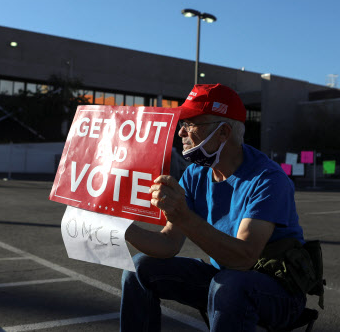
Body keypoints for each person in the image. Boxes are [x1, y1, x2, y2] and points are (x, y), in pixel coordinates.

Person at [121, 83, 307, 331]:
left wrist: (184, 216)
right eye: (181, 125)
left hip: (276, 287)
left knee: (230, 284)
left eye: (190, 124)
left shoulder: (268, 179)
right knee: (137, 268)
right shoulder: (195, 174)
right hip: (225, 278)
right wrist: (121, 226)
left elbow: (244, 258)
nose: (181, 133)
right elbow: (168, 243)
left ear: (223, 132)